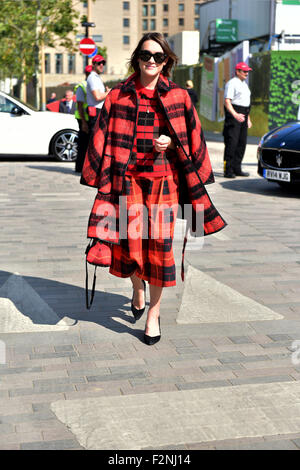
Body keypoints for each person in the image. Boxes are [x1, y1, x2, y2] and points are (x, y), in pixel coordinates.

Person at [81, 32, 226, 345]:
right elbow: (101, 136)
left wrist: (171, 143)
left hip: (164, 181)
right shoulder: (118, 95)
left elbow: (193, 138)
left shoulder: (178, 96)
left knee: (159, 248)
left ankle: (154, 315)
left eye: (158, 57)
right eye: (146, 55)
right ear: (137, 58)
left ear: (166, 61)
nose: (151, 61)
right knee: (131, 245)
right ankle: (137, 288)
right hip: (128, 180)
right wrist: (96, 176)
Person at [223, 61, 253, 178]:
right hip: (234, 115)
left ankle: (237, 168)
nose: (246, 73)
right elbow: (227, 101)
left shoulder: (245, 84)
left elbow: (247, 104)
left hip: (244, 115)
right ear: (237, 71)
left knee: (242, 143)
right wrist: (235, 115)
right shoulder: (232, 83)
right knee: (232, 143)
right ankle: (228, 170)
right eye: (244, 71)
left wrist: (248, 119)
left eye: (247, 71)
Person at [74, 64, 93, 173]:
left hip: (87, 118)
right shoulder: (82, 87)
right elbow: (80, 106)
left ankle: (82, 166)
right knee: (83, 144)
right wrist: (84, 123)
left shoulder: (89, 85)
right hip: (83, 119)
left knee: (85, 143)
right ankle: (80, 166)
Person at [86, 54, 111, 133]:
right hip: (95, 111)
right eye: (99, 63)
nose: (101, 65)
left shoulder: (96, 77)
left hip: (98, 111)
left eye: (103, 63)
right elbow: (97, 97)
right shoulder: (93, 77)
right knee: (95, 138)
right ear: (93, 64)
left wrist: (106, 92)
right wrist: (109, 92)